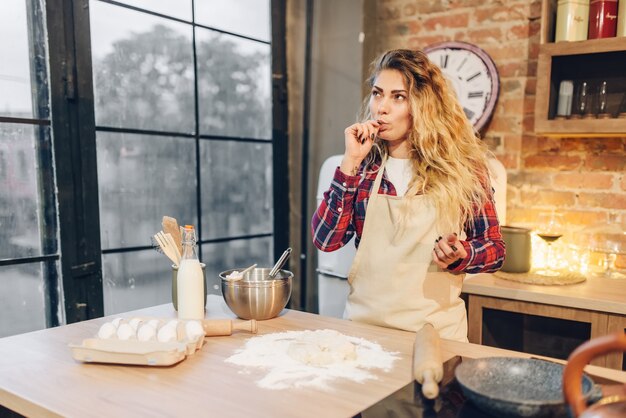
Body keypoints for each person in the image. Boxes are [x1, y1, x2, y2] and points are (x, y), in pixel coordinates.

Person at [311, 49, 505, 342]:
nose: (381, 108)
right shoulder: (363, 167)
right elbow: (326, 241)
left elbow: (494, 249)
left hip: (435, 339)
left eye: (398, 97)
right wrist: (349, 163)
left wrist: (463, 255)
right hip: (363, 335)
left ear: (423, 105)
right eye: (378, 94)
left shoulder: (464, 170)